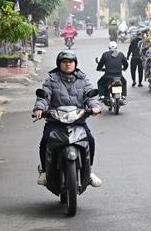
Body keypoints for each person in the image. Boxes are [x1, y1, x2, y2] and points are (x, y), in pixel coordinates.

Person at [32, 50, 102, 187]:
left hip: (78, 121)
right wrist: (39, 109)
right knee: (46, 140)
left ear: (75, 64)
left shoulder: (83, 79)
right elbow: (44, 96)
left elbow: (90, 96)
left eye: (71, 62)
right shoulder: (51, 80)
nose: (68, 64)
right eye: (64, 62)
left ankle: (89, 171)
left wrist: (94, 107)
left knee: (90, 139)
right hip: (55, 121)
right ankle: (45, 171)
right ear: (59, 64)